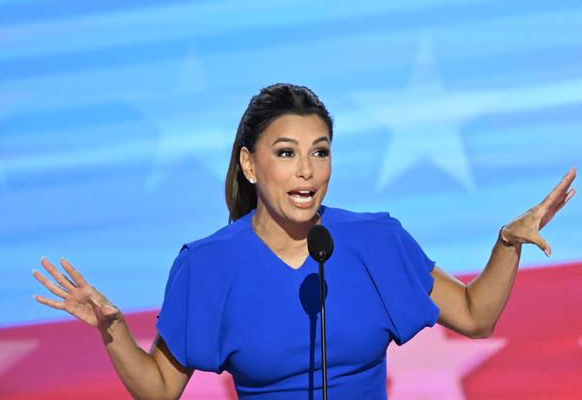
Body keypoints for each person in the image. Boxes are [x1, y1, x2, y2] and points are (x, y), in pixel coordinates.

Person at [32, 83, 576, 399]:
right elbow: (158, 390)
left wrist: (507, 243)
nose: (307, 170)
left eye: (320, 151)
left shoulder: (375, 241)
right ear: (250, 163)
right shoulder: (208, 266)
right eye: (287, 152)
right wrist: (114, 331)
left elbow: (476, 316)